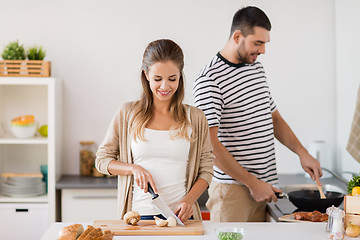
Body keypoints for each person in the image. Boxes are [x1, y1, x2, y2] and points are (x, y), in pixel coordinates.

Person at [193, 6, 323, 222]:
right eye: (257, 43)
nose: (263, 51)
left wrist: (302, 153)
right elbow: (210, 145)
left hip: (263, 189)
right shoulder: (209, 80)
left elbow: (274, 119)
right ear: (237, 36)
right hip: (234, 192)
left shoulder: (255, 68)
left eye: (265, 43)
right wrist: (253, 184)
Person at [95, 39, 214, 222]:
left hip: (180, 218)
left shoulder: (196, 118)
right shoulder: (127, 113)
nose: (165, 86)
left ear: (180, 76)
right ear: (146, 75)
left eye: (172, 79)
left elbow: (206, 170)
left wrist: (188, 201)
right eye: (158, 79)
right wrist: (133, 169)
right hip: (138, 218)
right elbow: (102, 161)